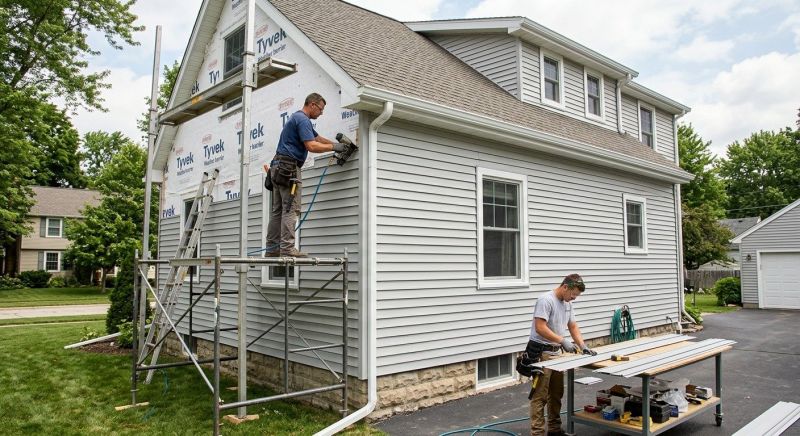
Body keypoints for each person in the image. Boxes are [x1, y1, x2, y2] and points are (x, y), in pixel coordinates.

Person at [266, 93, 347, 257]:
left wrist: (337, 144)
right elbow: (311, 145)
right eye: (321, 109)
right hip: (289, 169)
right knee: (290, 209)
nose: (321, 113)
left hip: (277, 167)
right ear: (312, 105)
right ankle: (287, 249)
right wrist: (333, 148)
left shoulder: (298, 119)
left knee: (278, 210)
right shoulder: (303, 120)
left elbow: (317, 138)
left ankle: (272, 249)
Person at [526, 273, 595, 436]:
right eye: (573, 294)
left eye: (576, 295)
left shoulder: (567, 303)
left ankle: (554, 429)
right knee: (540, 396)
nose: (574, 298)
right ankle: (537, 433)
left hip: (556, 355)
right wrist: (562, 341)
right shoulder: (546, 300)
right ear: (565, 287)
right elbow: (540, 327)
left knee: (556, 394)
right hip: (541, 354)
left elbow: (573, 326)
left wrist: (582, 345)